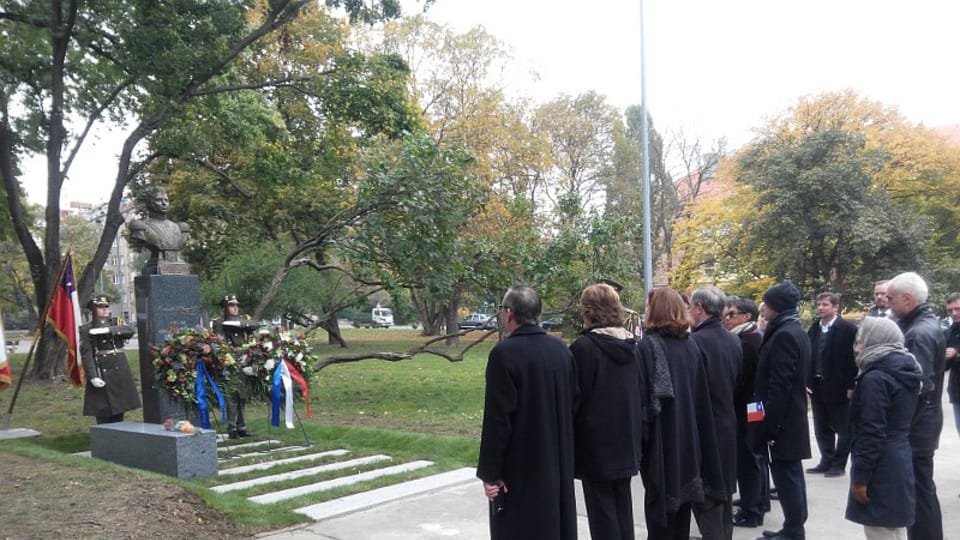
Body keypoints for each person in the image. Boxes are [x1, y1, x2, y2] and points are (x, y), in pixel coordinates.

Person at [477, 285, 578, 540]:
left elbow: (497, 420)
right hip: (557, 463)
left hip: (520, 469)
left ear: (509, 313)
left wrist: (491, 473)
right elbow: (574, 403)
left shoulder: (503, 355)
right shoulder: (562, 352)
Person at [638, 287, 725, 540]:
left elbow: (643, 400)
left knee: (661, 515)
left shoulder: (648, 346)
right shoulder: (691, 346)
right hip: (690, 441)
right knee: (681, 515)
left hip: (662, 441)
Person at [569, 283, 644, 540]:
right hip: (628, 439)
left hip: (596, 444)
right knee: (623, 508)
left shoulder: (583, 349)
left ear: (588, 311)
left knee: (602, 514)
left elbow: (574, 400)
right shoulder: (634, 346)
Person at [844, 317, 923, 540]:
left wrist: (861, 477)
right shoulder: (906, 367)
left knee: (879, 528)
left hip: (881, 461)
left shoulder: (876, 377)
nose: (856, 347)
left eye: (860, 341)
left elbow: (871, 430)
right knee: (894, 527)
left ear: (873, 341)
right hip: (898, 453)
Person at [885, 272, 946, 540]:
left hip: (917, 426)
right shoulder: (923, 325)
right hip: (923, 423)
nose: (887, 304)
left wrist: (899, 427)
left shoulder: (919, 332)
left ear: (907, 299)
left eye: (891, 298)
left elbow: (919, 387)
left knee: (919, 492)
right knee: (921, 489)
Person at [753, 281, 811, 540]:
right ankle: (793, 526)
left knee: (787, 475)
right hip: (784, 417)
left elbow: (779, 386)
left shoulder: (785, 334)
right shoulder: (789, 330)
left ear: (776, 306)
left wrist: (768, 426)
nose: (762, 309)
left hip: (782, 420)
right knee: (790, 473)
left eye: (766, 304)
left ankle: (794, 529)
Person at [689, 286, 743, 539]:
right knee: (724, 497)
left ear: (699, 308)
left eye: (690, 307)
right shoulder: (733, 339)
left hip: (705, 427)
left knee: (708, 498)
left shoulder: (695, 342)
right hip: (727, 423)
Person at [724, 297, 768, 528]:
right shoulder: (747, 337)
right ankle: (755, 501)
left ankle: (752, 509)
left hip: (748, 406)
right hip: (752, 404)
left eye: (732, 314)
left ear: (746, 316)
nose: (727, 318)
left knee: (749, 454)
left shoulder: (748, 341)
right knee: (753, 455)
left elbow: (743, 379)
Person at [805, 292, 858, 477]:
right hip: (818, 386)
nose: (820, 308)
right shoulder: (814, 329)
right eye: (819, 304)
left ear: (835, 307)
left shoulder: (847, 329)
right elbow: (808, 356)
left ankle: (839, 464)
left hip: (840, 386)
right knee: (822, 426)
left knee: (844, 428)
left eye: (825, 304)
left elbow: (853, 360)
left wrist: (851, 385)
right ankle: (826, 460)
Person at [80, 295, 141, 423]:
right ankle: (104, 433)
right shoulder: (87, 329)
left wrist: (108, 330)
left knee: (120, 405)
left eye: (106, 307)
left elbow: (130, 330)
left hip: (118, 367)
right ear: (93, 310)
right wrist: (92, 376)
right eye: (100, 307)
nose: (105, 310)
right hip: (102, 368)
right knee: (102, 406)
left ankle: (118, 432)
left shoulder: (115, 323)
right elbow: (87, 355)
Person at [213, 294, 258, 439]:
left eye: (236, 305)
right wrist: (238, 351)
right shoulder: (220, 322)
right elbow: (221, 344)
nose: (235, 308)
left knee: (243, 395)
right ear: (225, 307)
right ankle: (232, 427)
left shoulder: (242, 321)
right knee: (232, 397)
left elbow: (254, 326)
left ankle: (242, 426)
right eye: (232, 305)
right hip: (230, 363)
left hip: (244, 362)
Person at [128, 186, 190, 274]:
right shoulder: (141, 226)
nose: (164, 203)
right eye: (159, 200)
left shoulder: (179, 228)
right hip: (156, 265)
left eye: (166, 200)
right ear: (150, 203)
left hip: (177, 263)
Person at [943, 292, 960, 437]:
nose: (954, 313)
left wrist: (956, 354)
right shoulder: (949, 332)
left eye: (958, 309)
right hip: (957, 392)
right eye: (950, 310)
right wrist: (945, 357)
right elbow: (945, 367)